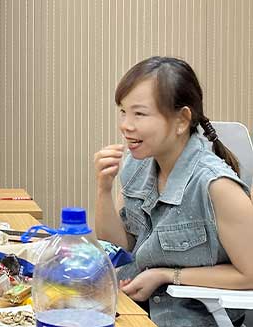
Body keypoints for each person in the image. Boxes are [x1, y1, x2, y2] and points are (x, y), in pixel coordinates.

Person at [94, 56, 253, 327]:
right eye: (123, 111)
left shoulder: (217, 185)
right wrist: (104, 188)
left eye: (139, 114)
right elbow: (119, 246)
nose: (126, 125)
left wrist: (168, 275)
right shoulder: (138, 164)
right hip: (131, 309)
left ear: (181, 120)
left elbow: (250, 274)